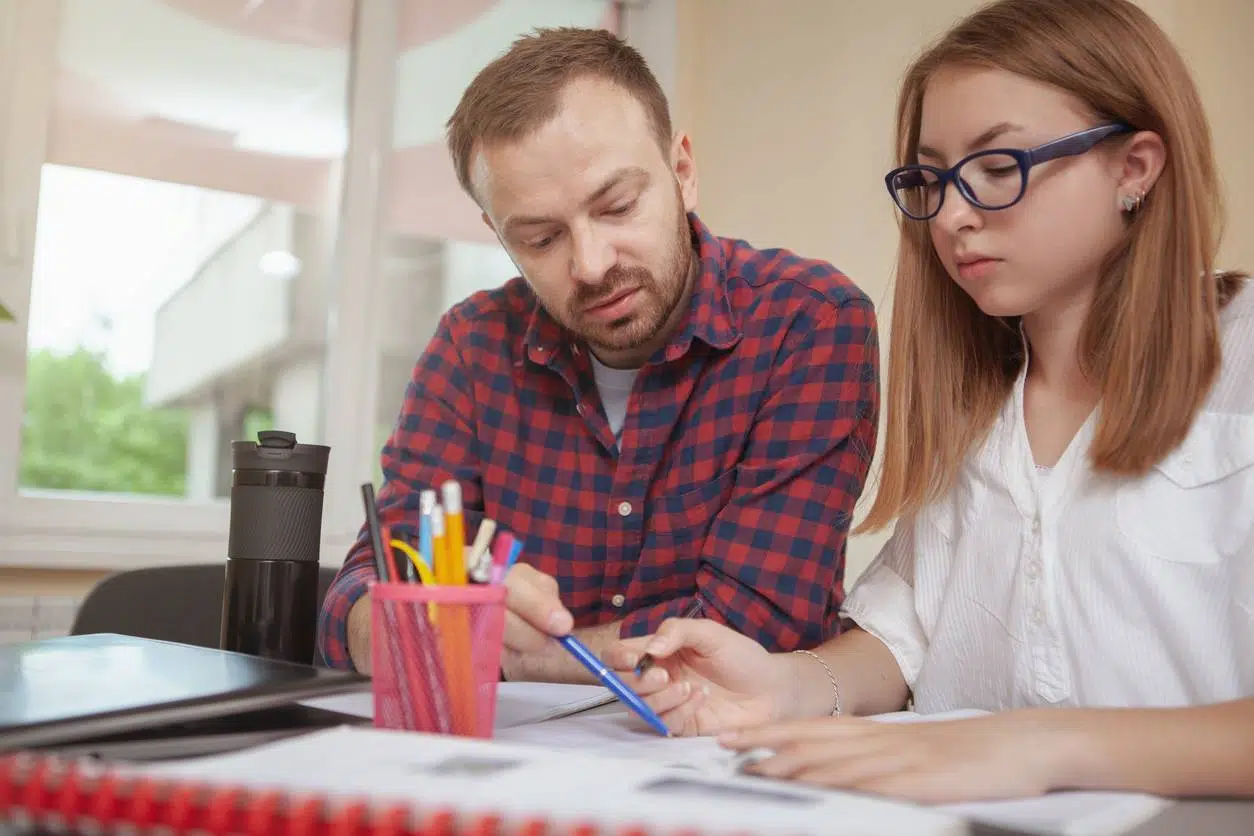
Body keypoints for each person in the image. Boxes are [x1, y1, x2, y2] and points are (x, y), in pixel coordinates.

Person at [504, 0, 1254, 803]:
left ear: (1135, 167)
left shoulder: (1240, 360)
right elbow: (900, 644)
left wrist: (1042, 745)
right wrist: (780, 686)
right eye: (931, 179)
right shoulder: (976, 402)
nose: (956, 216)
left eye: (1000, 169)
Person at [316, 27, 880, 682]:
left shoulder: (809, 323)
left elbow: (760, 621)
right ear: (499, 237)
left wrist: (519, 655)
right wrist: (399, 623)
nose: (590, 265)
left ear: (683, 173)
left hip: (720, 758)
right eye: (541, 237)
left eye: (616, 207)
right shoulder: (471, 348)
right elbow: (359, 596)